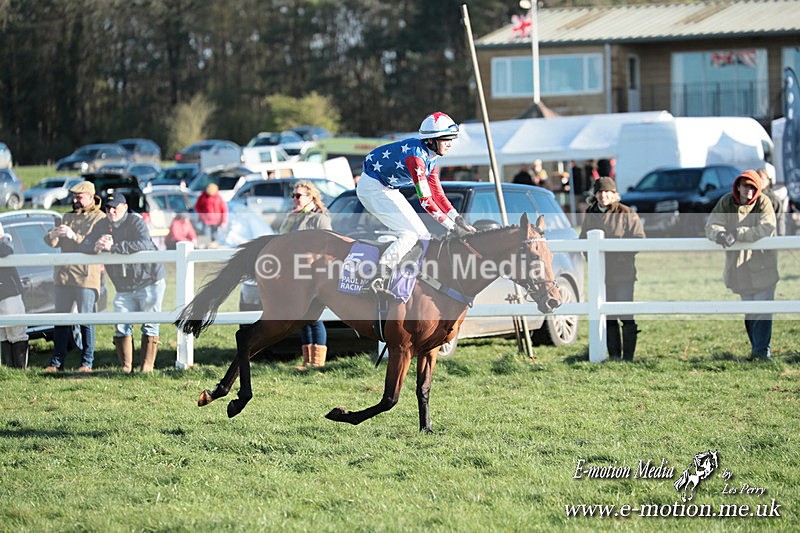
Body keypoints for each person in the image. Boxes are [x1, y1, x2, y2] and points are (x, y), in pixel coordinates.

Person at [356, 112, 475, 296]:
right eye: (446, 139)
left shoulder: (431, 156)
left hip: (387, 187)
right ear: (431, 140)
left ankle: (400, 273)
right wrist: (451, 228)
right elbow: (426, 201)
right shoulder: (416, 158)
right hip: (372, 187)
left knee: (423, 235)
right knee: (409, 234)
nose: (450, 144)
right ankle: (377, 278)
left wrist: (458, 220)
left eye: (452, 139)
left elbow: (437, 193)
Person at [80, 193, 166, 372]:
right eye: (108, 208)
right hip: (123, 285)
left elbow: (143, 244)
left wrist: (113, 247)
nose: (111, 211)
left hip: (148, 280)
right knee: (121, 323)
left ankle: (146, 369)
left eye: (115, 208)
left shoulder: (136, 221)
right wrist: (95, 246)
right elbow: (84, 244)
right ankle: (126, 368)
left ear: (125, 208)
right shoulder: (102, 224)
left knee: (150, 323)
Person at [706, 169, 779, 360]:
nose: (748, 190)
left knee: (762, 311)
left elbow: (766, 227)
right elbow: (711, 224)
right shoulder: (726, 201)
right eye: (744, 185)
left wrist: (739, 233)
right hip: (738, 266)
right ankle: (757, 350)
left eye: (752, 186)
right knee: (750, 311)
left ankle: (761, 353)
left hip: (763, 265)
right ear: (737, 186)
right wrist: (720, 234)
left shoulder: (764, 202)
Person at [579, 177, 646, 361]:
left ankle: (628, 358)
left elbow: (639, 238)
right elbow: (583, 239)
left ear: (614, 193)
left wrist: (621, 255)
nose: (603, 195)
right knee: (608, 316)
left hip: (623, 273)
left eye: (607, 192)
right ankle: (614, 356)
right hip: (600, 274)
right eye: (600, 192)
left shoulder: (626, 213)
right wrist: (591, 260)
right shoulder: (590, 213)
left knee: (625, 315)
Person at [43, 181, 106, 373]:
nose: (75, 200)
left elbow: (91, 243)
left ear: (90, 196)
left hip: (86, 276)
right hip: (63, 275)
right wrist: (53, 234)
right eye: (74, 197)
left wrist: (73, 236)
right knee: (61, 321)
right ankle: (57, 363)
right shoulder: (67, 216)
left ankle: (87, 363)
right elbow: (52, 242)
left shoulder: (100, 218)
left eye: (79, 197)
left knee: (86, 320)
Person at [279, 181, 332, 368]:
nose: (294, 199)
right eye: (293, 195)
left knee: (314, 316)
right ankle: (307, 360)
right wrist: (288, 219)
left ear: (311, 197)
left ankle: (317, 362)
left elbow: (327, 243)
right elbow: (281, 238)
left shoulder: (319, 218)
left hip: (314, 273)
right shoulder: (294, 217)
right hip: (296, 272)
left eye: (298, 195)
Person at [0, 224, 29, 369]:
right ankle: (8, 370)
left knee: (16, 332)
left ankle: (20, 370)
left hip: (10, 292)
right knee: (2, 334)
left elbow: (6, 249)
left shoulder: (5, 240)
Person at [756, 168, 785, 236]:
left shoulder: (773, 199)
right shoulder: (750, 196)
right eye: (758, 178)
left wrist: (781, 237)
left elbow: (780, 218)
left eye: (762, 178)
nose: (760, 181)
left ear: (768, 181)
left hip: (770, 236)